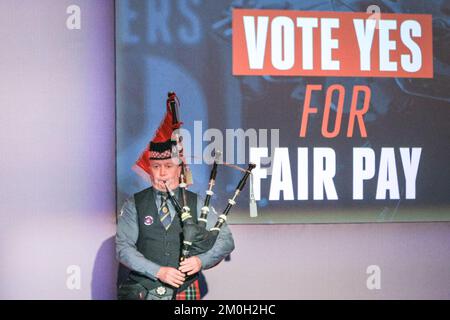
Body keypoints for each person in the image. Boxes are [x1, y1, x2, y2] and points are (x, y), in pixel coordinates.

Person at [116, 96, 235, 300]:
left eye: (168, 166)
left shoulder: (196, 202)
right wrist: (158, 271)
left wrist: (200, 261)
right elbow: (123, 247)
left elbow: (225, 240)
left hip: (184, 289)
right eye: (156, 167)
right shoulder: (134, 204)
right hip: (143, 290)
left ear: (179, 169)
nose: (161, 173)